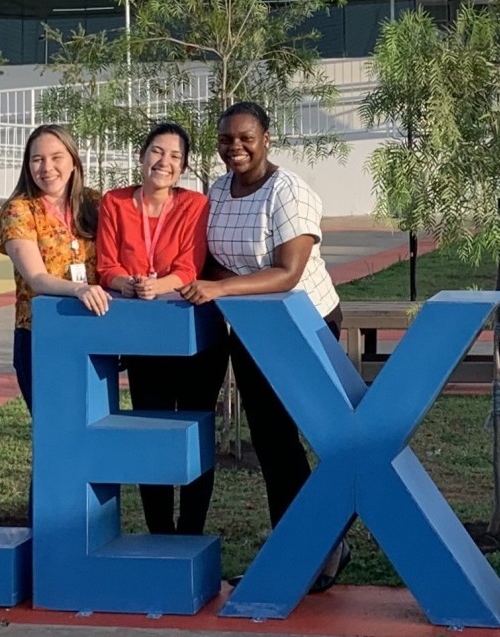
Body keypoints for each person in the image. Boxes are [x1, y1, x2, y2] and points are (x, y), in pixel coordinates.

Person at [180, 102, 350, 592]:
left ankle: (322, 551)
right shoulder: (218, 190)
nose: (235, 147)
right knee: (273, 443)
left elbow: (287, 272)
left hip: (304, 326)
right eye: (226, 139)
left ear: (267, 139)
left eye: (246, 138)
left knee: (311, 439)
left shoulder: (289, 191)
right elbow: (210, 260)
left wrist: (220, 288)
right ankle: (298, 553)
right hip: (254, 328)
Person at [96, 122, 228, 536]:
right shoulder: (115, 202)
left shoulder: (194, 205)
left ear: (183, 167)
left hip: (193, 339)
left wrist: (158, 285)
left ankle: (190, 532)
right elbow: (106, 265)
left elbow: (189, 267)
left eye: (174, 156)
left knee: (194, 431)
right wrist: (127, 284)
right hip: (144, 339)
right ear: (142, 156)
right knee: (150, 433)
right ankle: (159, 533)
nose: (163, 162)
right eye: (156, 151)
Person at [0, 124, 111, 414]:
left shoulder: (95, 203)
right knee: (54, 424)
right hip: (41, 333)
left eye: (56, 157)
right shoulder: (19, 210)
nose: (47, 168)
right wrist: (80, 289)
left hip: (93, 328)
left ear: (73, 161)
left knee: (97, 421)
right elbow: (36, 278)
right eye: (37, 159)